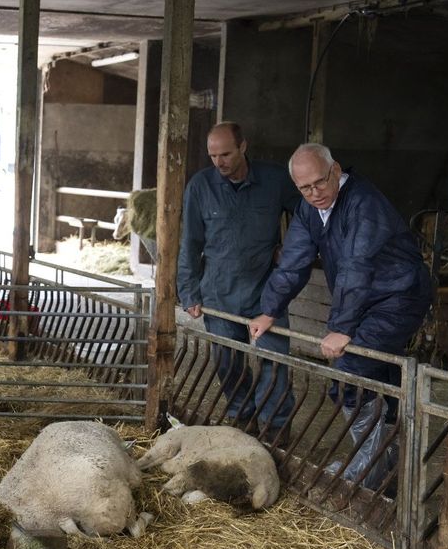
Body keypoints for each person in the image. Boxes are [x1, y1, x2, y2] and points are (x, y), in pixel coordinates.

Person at [249, 143, 432, 490]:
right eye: (304, 188)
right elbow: (294, 261)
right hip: (364, 299)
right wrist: (269, 309)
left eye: (319, 182)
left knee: (350, 371)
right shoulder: (309, 208)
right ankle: (388, 468)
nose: (314, 193)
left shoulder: (364, 202)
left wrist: (340, 328)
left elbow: (356, 265)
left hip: (399, 296)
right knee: (383, 377)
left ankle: (369, 468)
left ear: (335, 171)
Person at [177, 122, 301, 441]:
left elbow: (307, 215)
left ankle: (276, 428)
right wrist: (188, 291)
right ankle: (243, 419)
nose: (220, 162)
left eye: (226, 154)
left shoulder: (275, 179)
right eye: (213, 155)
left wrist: (291, 250)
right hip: (219, 291)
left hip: (267, 291)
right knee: (227, 362)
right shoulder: (200, 186)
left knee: (275, 361)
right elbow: (190, 242)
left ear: (243, 147)